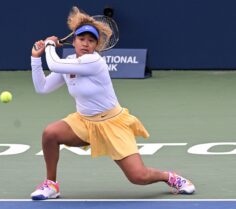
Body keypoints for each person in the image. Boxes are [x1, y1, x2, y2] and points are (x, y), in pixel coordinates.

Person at [30, 7, 195, 200]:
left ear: (96, 46)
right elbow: (42, 87)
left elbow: (54, 64)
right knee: (50, 133)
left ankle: (170, 177)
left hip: (113, 123)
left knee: (138, 177)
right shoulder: (69, 62)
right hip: (83, 122)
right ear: (74, 41)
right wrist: (35, 58)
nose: (85, 44)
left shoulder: (93, 62)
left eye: (91, 41)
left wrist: (49, 45)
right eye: (81, 39)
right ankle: (51, 184)